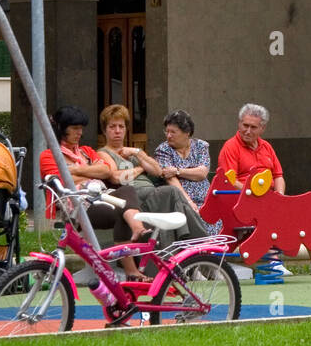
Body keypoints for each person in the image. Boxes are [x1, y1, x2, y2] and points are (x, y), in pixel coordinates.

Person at [216, 103, 311, 276]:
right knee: (273, 214)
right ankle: (274, 263)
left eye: (253, 127)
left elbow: (278, 175)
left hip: (270, 198)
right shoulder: (231, 147)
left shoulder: (266, 147)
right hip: (244, 200)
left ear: (262, 128)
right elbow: (229, 180)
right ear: (239, 123)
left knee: (304, 212)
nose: (247, 131)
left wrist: (279, 195)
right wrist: (255, 194)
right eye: (245, 125)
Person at [39, 105, 149, 282]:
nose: (79, 133)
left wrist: (76, 170)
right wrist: (89, 171)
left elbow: (106, 171)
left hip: (103, 197)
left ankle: (136, 228)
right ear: (61, 129)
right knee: (121, 212)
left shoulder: (86, 151)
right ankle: (132, 268)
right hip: (76, 205)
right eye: (75, 128)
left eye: (81, 128)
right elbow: (63, 180)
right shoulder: (49, 155)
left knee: (128, 190)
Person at [96, 104, 206, 245]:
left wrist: (138, 152)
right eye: (112, 127)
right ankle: (200, 241)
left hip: (152, 193)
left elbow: (157, 170)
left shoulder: (132, 153)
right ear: (104, 130)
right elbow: (117, 177)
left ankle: (191, 243)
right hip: (135, 198)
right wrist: (141, 168)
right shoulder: (104, 153)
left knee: (173, 198)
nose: (117, 131)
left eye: (121, 126)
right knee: (172, 191)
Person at [154, 110, 212, 210]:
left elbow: (202, 173)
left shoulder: (201, 146)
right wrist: (188, 201)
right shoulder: (163, 150)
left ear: (187, 133)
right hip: (179, 202)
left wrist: (177, 171)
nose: (168, 136)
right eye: (167, 131)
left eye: (173, 132)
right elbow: (171, 179)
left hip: (206, 200)